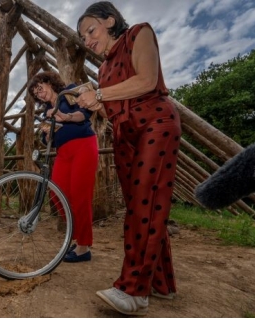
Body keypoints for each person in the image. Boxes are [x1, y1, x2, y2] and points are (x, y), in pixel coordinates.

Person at [76, 1, 182, 316]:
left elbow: (147, 81)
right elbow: (112, 109)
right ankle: (161, 285)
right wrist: (97, 103)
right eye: (82, 38)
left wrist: (98, 94)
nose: (87, 40)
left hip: (155, 122)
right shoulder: (104, 68)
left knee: (144, 206)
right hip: (125, 134)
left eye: (90, 30)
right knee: (144, 207)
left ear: (110, 20)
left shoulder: (139, 34)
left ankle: (134, 290)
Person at [28, 71, 99, 263]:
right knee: (57, 195)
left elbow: (84, 115)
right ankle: (76, 236)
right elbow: (45, 139)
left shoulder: (68, 93)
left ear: (49, 83)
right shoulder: (45, 113)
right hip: (63, 153)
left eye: (40, 88)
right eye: (36, 93)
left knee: (80, 196)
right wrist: (47, 135)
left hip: (83, 145)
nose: (39, 94)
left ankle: (83, 248)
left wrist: (63, 117)